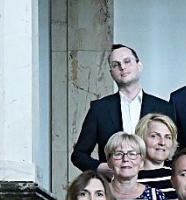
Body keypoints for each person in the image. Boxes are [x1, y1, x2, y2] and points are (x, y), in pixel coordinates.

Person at [71, 44, 176, 174]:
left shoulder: (164, 107)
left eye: (127, 61)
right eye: (116, 65)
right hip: (113, 183)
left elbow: (175, 151)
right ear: (111, 73)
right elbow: (79, 155)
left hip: (156, 180)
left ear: (139, 66)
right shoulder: (99, 109)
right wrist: (100, 168)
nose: (122, 67)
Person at [104, 132, 168, 200]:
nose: (125, 159)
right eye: (118, 154)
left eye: (132, 154)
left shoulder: (156, 197)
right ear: (109, 162)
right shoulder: (100, 193)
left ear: (142, 162)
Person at [135, 113, 178, 200]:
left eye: (168, 137)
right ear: (141, 138)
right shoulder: (130, 176)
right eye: (154, 136)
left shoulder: (179, 174)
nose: (162, 142)